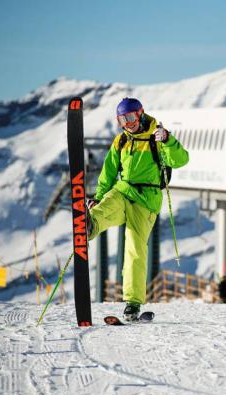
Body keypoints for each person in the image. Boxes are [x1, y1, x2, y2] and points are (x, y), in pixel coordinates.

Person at [86, 97, 189, 321]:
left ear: (140, 114)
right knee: (109, 203)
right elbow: (109, 172)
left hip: (146, 199)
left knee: (134, 249)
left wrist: (168, 140)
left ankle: (132, 303)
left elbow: (181, 160)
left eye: (130, 117)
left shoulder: (156, 137)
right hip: (124, 189)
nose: (128, 123)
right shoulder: (121, 141)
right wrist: (98, 197)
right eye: (122, 120)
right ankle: (90, 225)